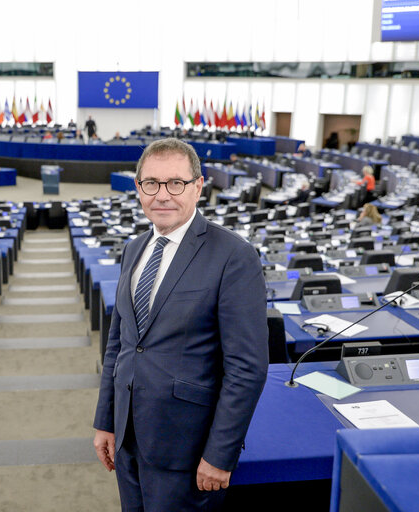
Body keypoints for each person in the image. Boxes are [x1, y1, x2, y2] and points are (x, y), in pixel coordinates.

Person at [93, 138, 268, 511]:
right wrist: (106, 421)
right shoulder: (133, 247)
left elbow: (247, 369)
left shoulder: (234, 256)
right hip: (128, 437)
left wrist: (220, 454)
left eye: (176, 183)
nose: (162, 195)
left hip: (186, 449)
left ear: (198, 186)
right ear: (138, 188)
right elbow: (119, 345)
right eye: (151, 183)